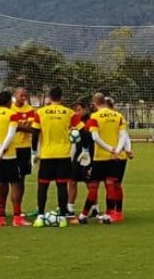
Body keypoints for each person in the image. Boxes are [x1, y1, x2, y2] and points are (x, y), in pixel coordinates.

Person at [30, 86, 83, 227]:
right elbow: (82, 130)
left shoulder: (40, 112)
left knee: (43, 186)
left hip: (46, 155)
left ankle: (40, 217)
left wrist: (34, 152)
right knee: (61, 186)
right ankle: (62, 218)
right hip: (63, 155)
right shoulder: (69, 113)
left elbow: (35, 133)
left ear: (49, 97)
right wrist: (82, 147)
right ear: (61, 97)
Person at [78, 93, 128, 224]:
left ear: (94, 104)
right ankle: (109, 214)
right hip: (115, 157)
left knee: (93, 186)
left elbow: (95, 137)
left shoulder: (95, 117)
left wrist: (108, 148)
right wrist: (116, 150)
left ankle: (83, 215)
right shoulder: (119, 116)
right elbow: (123, 136)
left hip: (100, 157)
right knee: (111, 184)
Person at [0, 90, 27, 227]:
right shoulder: (12, 114)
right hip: (9, 155)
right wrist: (2, 151)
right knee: (15, 183)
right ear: (9, 102)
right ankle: (17, 218)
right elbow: (11, 135)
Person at [10, 88, 36, 217]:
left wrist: (17, 126)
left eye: (25, 95)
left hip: (24, 148)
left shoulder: (30, 109)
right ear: (15, 95)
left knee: (21, 179)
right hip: (11, 147)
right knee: (7, 180)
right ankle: (1, 210)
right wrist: (22, 126)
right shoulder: (9, 109)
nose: (23, 97)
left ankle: (18, 209)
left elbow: (32, 128)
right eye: (21, 95)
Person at [67, 99, 93, 218]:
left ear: (84, 110)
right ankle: (70, 208)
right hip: (78, 155)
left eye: (79, 110)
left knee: (90, 183)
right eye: (74, 111)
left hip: (89, 155)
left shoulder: (90, 121)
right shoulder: (73, 123)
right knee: (72, 181)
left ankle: (94, 208)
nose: (76, 112)